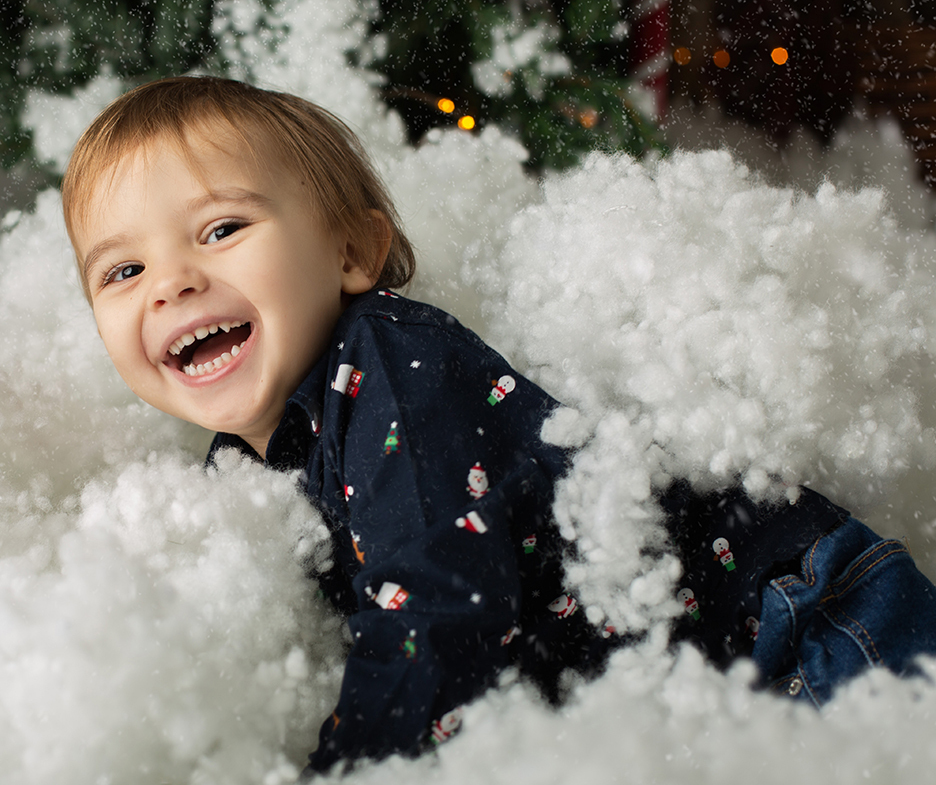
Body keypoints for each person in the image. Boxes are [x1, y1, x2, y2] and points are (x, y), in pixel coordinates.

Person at [60, 76, 936, 773]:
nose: (170, 282)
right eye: (123, 270)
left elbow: (439, 598)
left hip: (804, 632)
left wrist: (350, 767)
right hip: (691, 690)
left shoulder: (390, 366)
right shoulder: (246, 465)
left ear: (351, 253)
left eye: (220, 228)